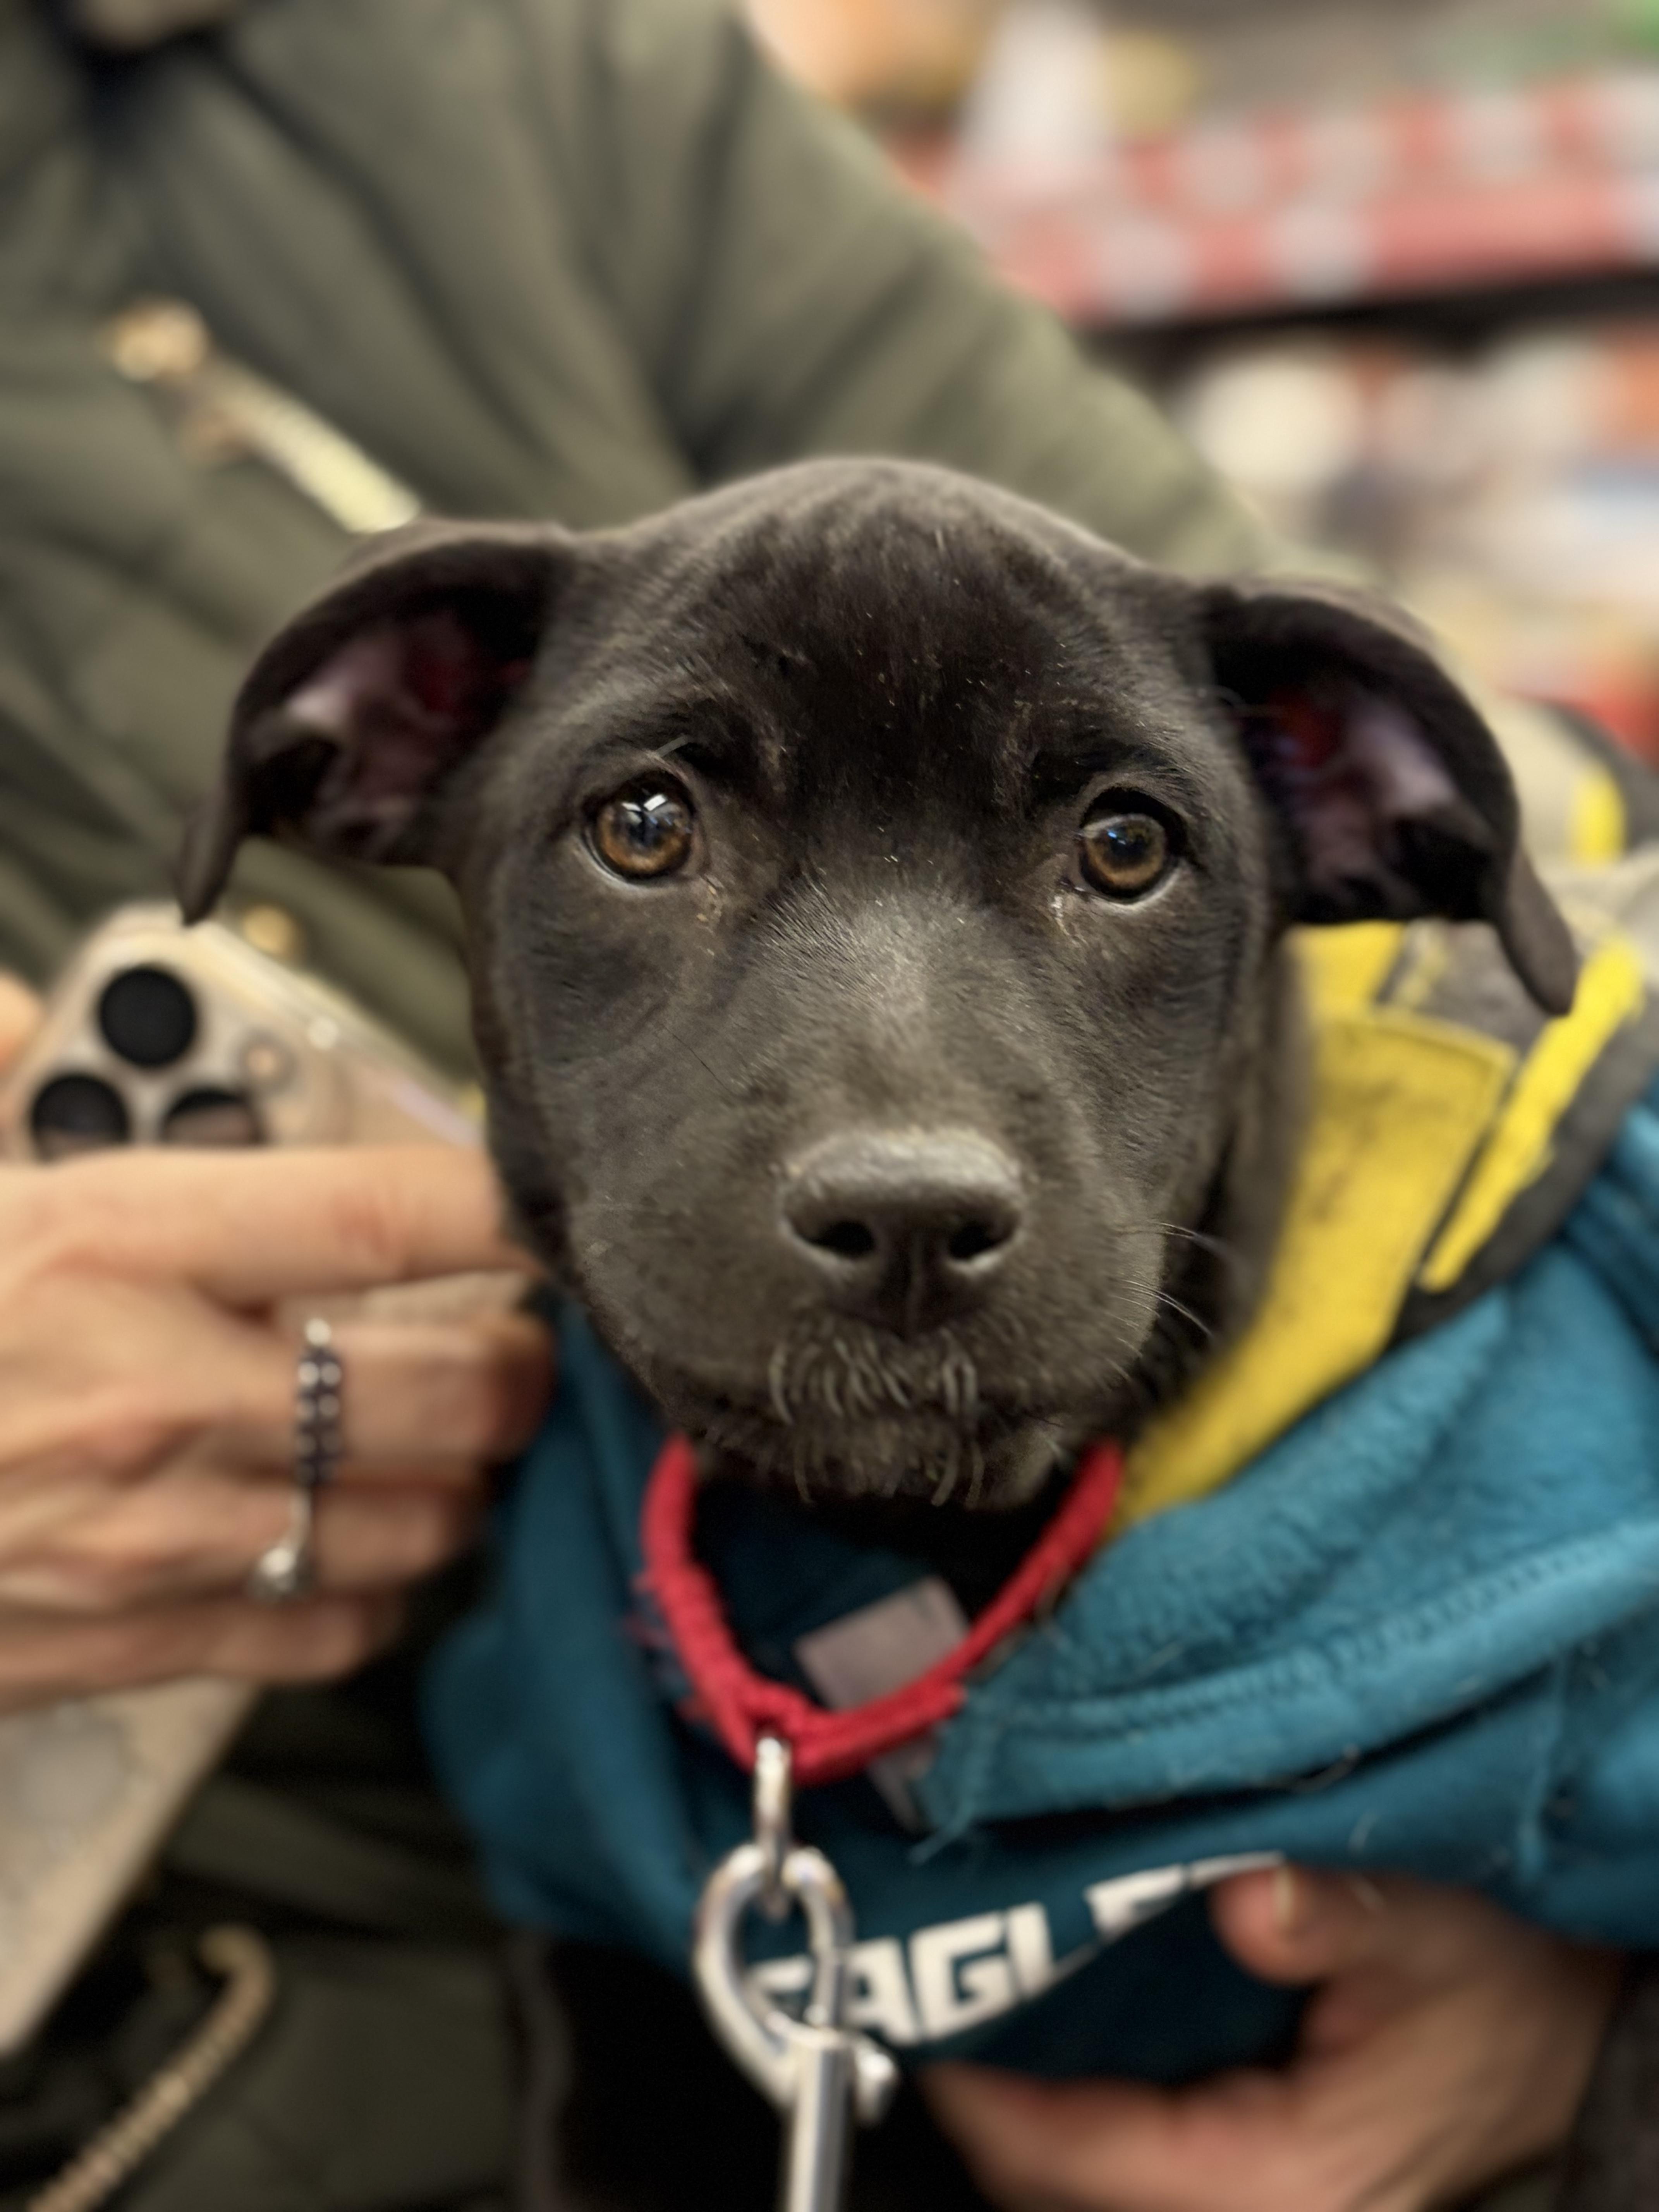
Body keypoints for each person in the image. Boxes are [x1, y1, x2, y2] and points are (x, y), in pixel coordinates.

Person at [0, 2, 1635, 2206]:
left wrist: (1594, 2027)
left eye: (1126, 846)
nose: (905, 1157)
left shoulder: (477, 62)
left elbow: (1247, 634)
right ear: (376, 752)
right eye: (649, 827)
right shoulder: (564, 1692)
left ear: (1352, 815)